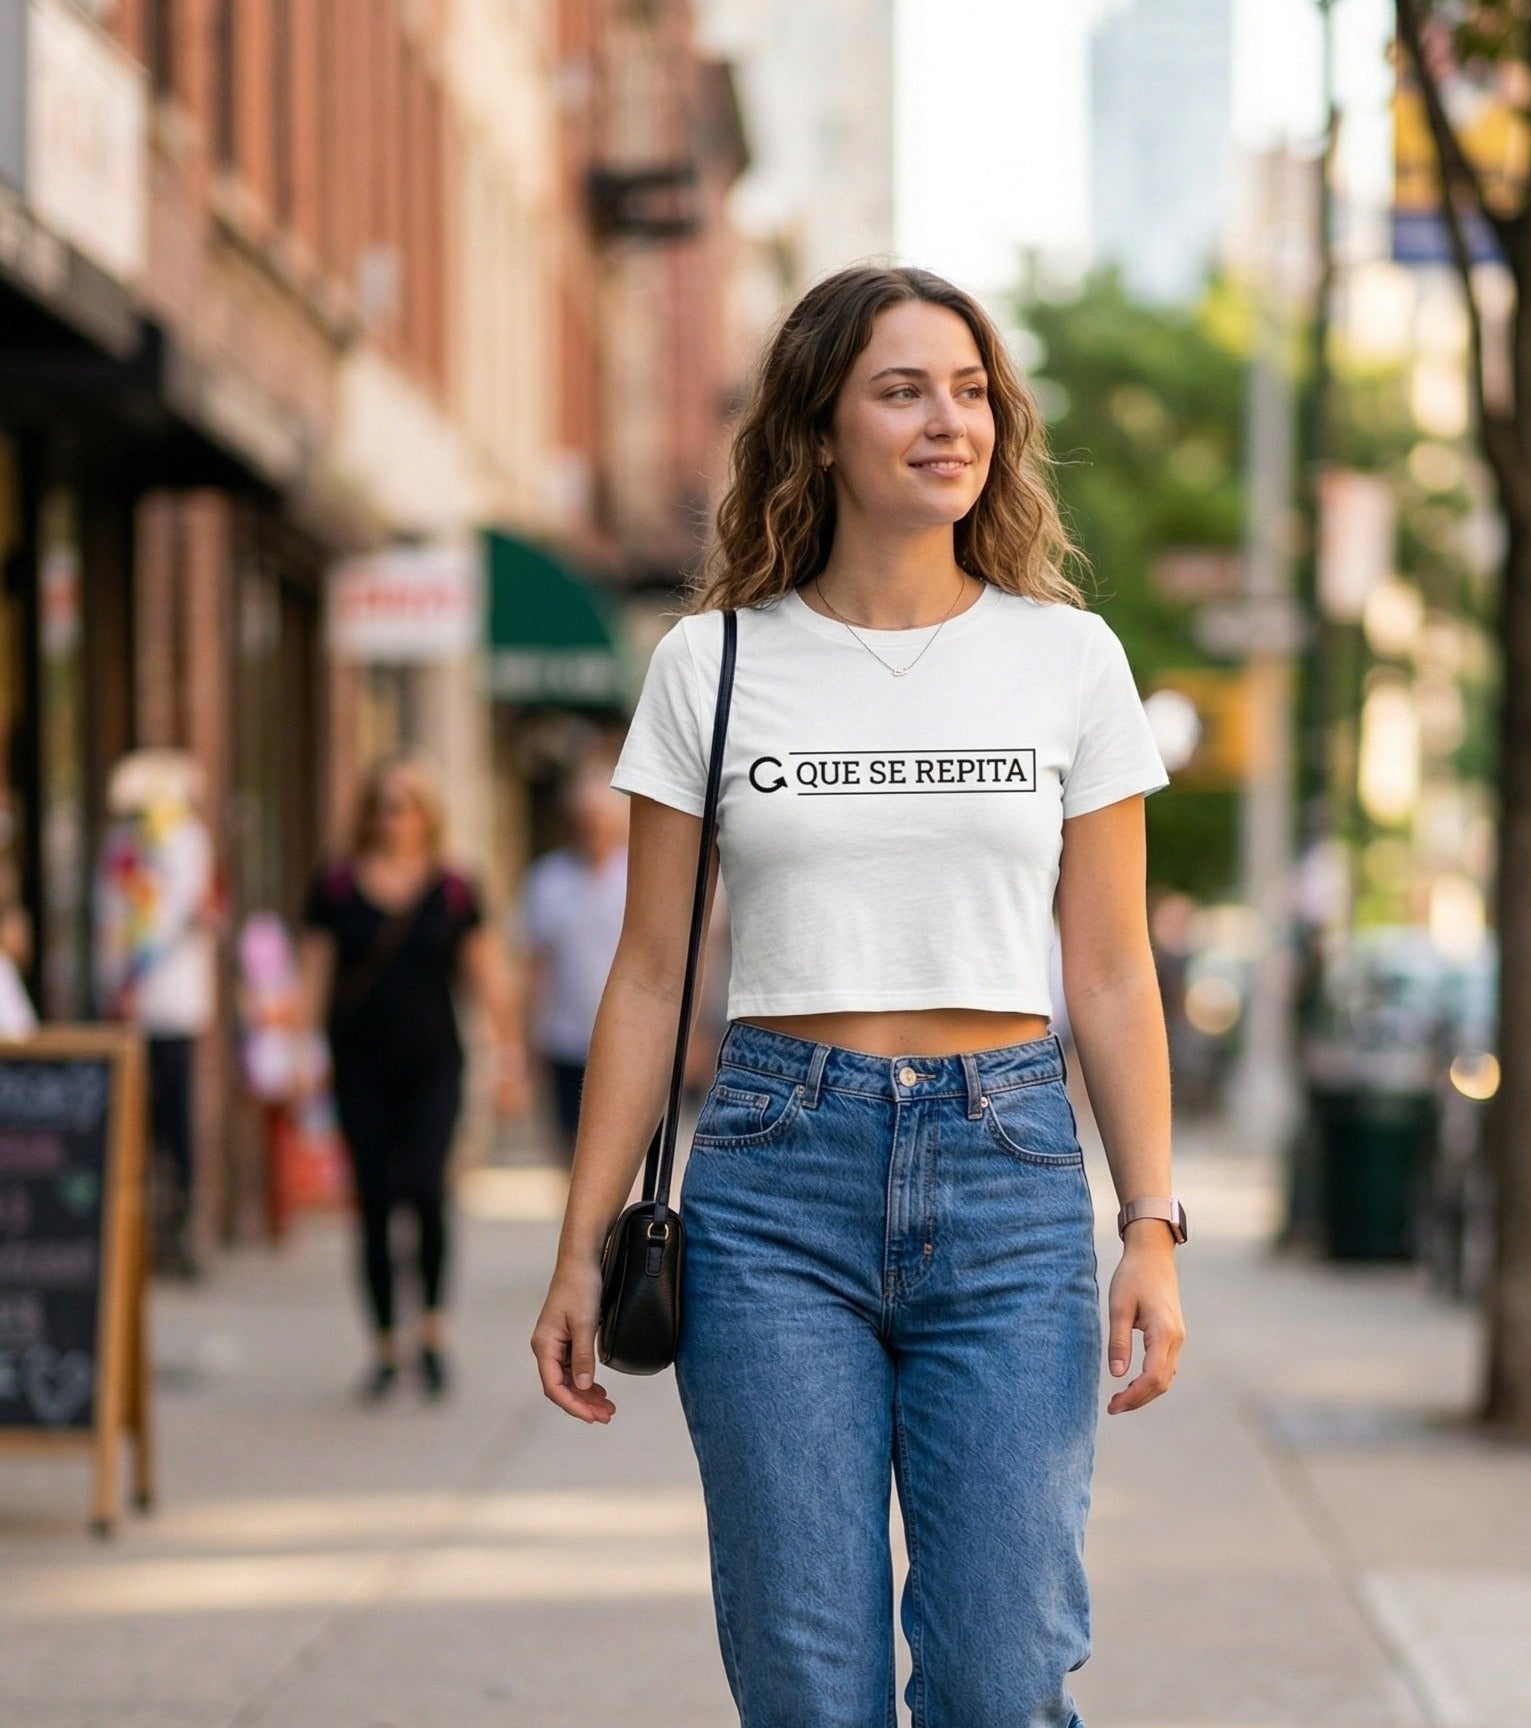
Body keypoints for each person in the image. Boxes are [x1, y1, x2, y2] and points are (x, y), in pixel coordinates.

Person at [532, 265, 1187, 1723]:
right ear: (820, 431)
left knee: (1001, 1677)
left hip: (1009, 1171)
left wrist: (1150, 1224)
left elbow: (1110, 966)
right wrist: (580, 1249)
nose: (948, 422)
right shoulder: (713, 662)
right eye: (902, 391)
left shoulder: (1068, 658)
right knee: (806, 1684)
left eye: (971, 392)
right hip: (776, 1183)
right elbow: (648, 976)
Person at [300, 757, 526, 1401]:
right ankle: (384, 1346)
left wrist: (509, 1060)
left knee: (426, 1190)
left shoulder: (453, 889)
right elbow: (313, 977)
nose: (391, 818)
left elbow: (488, 978)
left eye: (403, 805)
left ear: (427, 815)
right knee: (373, 1200)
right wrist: (299, 1057)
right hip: (358, 1065)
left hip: (433, 1066)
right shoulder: (336, 886)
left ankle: (431, 1333)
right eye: (381, 804)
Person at [94, 749, 219, 1280]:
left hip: (172, 1003)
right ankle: (136, 1229)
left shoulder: (187, 841)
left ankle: (179, 1228)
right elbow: (109, 915)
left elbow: (181, 913)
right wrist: (116, 982)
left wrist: (134, 976)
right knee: (133, 1119)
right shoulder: (121, 844)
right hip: (128, 1007)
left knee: (176, 1117)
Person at [517, 758, 630, 1161]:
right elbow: (536, 965)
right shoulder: (547, 879)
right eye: (585, 818)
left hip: (625, 1037)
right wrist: (525, 1041)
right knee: (570, 1144)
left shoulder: (636, 878)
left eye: (600, 818)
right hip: (564, 1038)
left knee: (621, 1145)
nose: (593, 828)